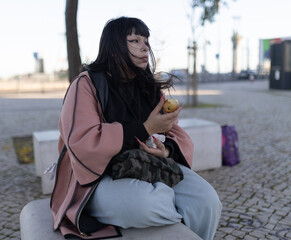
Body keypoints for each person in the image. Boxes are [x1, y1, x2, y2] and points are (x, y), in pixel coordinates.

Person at [50, 16, 222, 240]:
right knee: (152, 204)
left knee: (206, 201)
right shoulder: (86, 84)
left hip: (150, 167)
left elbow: (175, 133)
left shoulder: (148, 86)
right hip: (99, 177)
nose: (144, 47)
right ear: (114, 47)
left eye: (146, 40)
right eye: (135, 40)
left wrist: (166, 150)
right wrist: (145, 128)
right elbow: (83, 142)